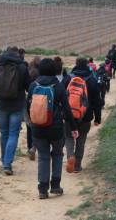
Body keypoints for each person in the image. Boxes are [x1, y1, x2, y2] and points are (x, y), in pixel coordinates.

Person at [27, 58, 78, 199]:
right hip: (55, 128)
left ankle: (42, 189)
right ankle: (55, 186)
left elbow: (28, 106)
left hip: (37, 128)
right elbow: (67, 110)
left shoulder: (33, 85)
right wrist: (73, 127)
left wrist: (32, 123)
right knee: (57, 154)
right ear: (54, 70)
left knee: (43, 157)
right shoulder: (59, 86)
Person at [0, 46, 30, 175]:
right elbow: (29, 87)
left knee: (4, 133)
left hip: (1, 104)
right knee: (13, 134)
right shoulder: (22, 67)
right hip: (17, 105)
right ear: (17, 54)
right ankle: (8, 164)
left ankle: (4, 161)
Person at [63, 57, 102, 173]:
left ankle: (70, 156)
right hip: (85, 116)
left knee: (69, 138)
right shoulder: (92, 80)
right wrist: (97, 118)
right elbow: (97, 102)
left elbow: (60, 95)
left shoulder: (68, 78)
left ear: (75, 64)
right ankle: (77, 166)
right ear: (87, 65)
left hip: (69, 115)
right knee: (81, 140)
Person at [25, 56, 41, 161]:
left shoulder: (29, 70)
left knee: (29, 126)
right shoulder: (41, 72)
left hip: (30, 100)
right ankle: (37, 146)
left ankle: (30, 147)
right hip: (40, 100)